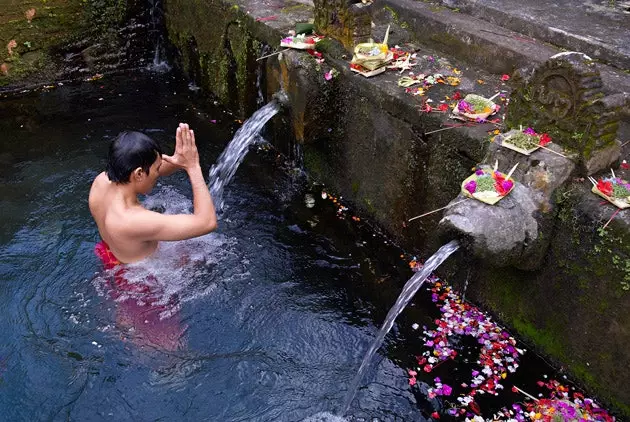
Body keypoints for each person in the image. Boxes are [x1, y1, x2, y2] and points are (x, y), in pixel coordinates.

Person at [89, 123, 217, 264]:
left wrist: (179, 161)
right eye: (157, 169)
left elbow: (149, 171)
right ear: (139, 173)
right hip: (138, 279)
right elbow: (207, 223)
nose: (158, 173)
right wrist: (193, 167)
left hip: (112, 255)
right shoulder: (135, 220)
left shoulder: (101, 182)